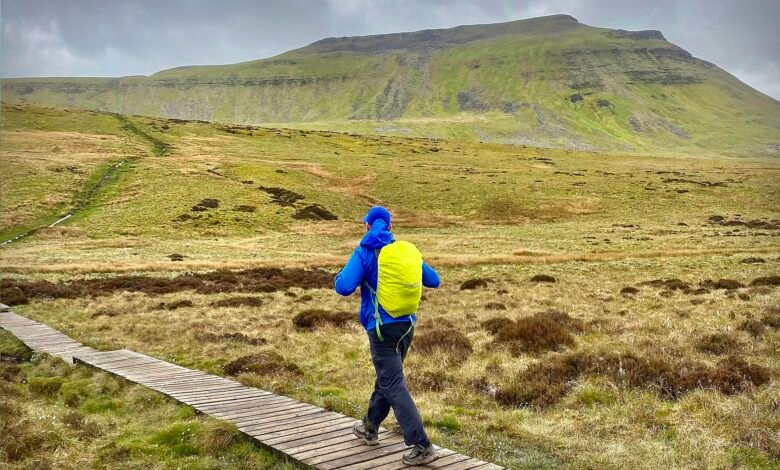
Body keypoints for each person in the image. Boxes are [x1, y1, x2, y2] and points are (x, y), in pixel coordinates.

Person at [334, 206, 441, 466]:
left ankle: (422, 444)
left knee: (392, 382)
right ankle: (369, 427)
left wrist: (340, 275)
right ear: (390, 227)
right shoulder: (404, 252)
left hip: (381, 329)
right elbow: (434, 280)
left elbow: (344, 287)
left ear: (368, 227)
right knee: (388, 378)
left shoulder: (365, 251)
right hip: (406, 326)